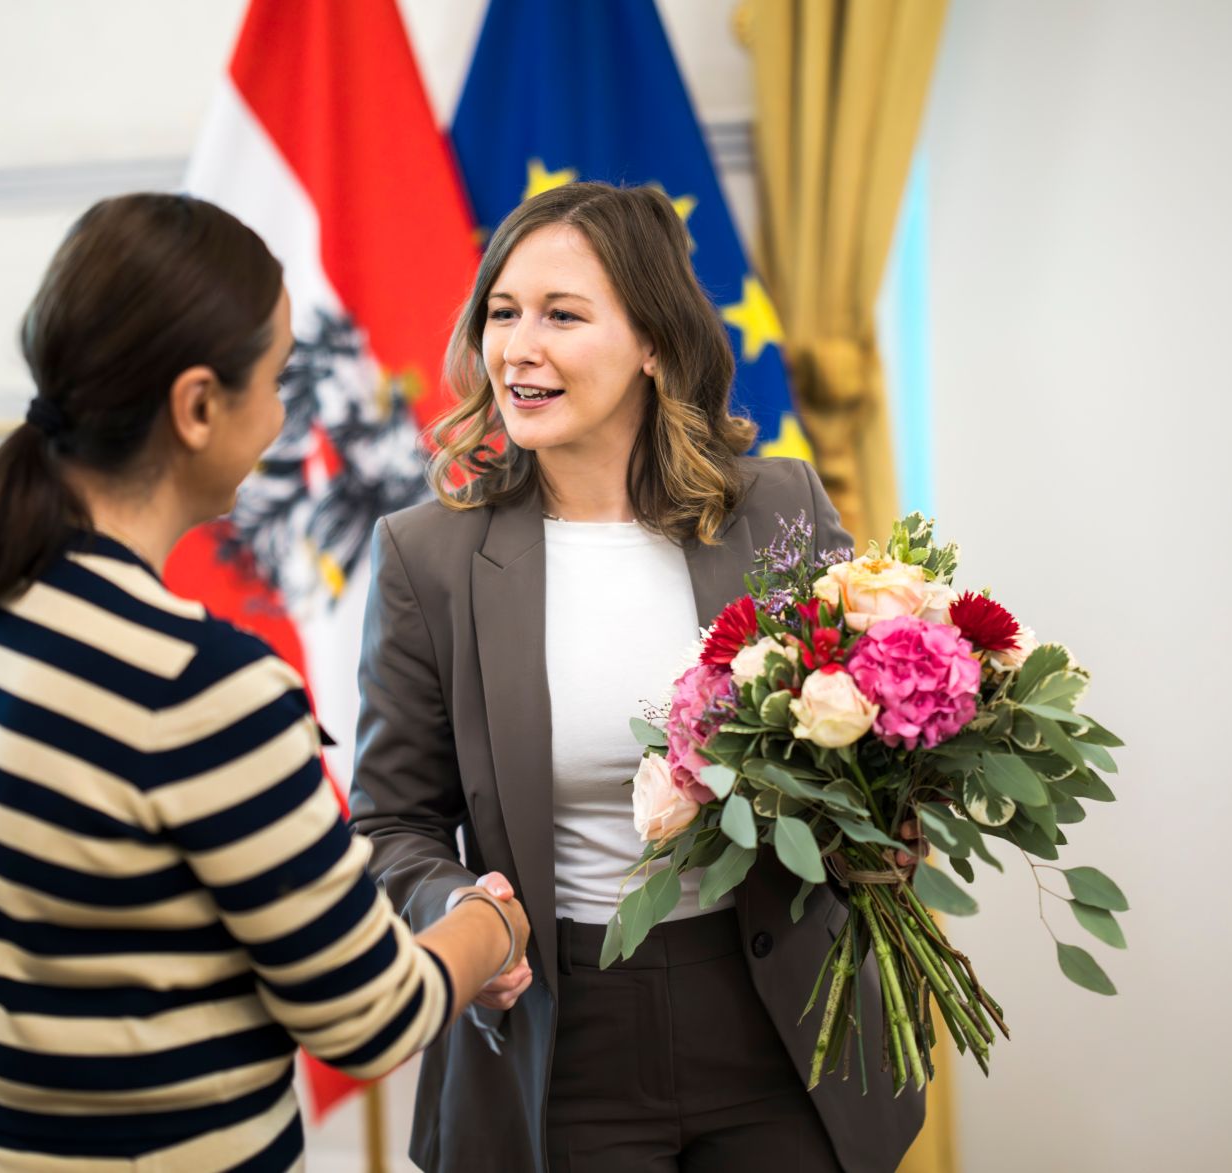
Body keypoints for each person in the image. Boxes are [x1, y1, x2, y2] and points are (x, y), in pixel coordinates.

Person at [0, 193, 528, 1173]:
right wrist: (490, 921)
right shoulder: (201, 689)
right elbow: (369, 1016)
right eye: (276, 379)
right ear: (195, 407)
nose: (283, 416)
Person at [348, 182, 925, 1172]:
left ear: (651, 343)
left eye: (561, 315)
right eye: (501, 311)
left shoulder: (775, 507)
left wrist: (886, 823)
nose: (517, 347)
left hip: (778, 1020)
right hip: (556, 1039)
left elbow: (868, 740)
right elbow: (388, 823)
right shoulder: (424, 557)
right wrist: (460, 910)